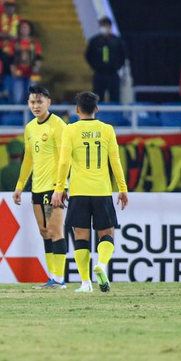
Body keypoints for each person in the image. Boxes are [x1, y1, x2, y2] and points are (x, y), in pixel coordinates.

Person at [52, 91, 129, 293]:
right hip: (101, 191)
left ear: (77, 110)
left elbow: (64, 162)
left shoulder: (70, 130)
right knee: (107, 234)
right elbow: (115, 161)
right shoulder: (107, 129)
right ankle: (102, 265)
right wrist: (123, 188)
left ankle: (85, 283)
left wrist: (59, 188)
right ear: (96, 108)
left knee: (80, 236)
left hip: (78, 191)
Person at [12, 85, 67, 289]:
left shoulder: (58, 125)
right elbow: (28, 159)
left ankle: (60, 279)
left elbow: (64, 159)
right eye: (32, 102)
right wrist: (20, 186)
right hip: (36, 188)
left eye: (39, 102)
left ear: (48, 103)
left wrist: (60, 188)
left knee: (55, 231)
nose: (36, 106)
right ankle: (52, 277)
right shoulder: (30, 127)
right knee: (44, 232)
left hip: (54, 188)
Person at [84, 16, 127, 103]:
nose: (104, 28)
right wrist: (95, 66)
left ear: (110, 27)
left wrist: (117, 66)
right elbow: (88, 55)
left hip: (112, 73)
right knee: (97, 97)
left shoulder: (117, 41)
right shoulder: (95, 41)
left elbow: (123, 55)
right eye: (102, 25)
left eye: (105, 25)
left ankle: (115, 115)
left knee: (115, 97)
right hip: (99, 73)